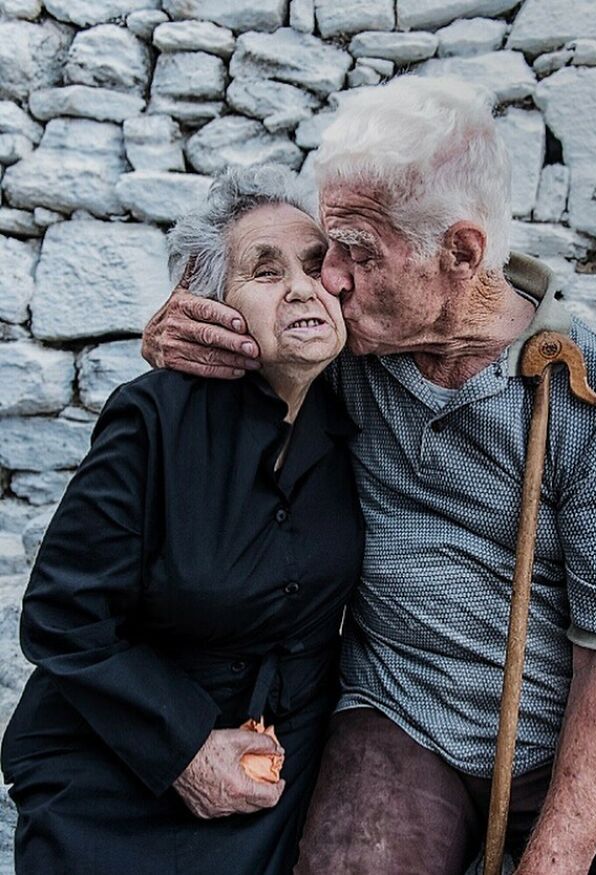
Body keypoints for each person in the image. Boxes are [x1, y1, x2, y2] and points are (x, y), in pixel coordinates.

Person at [143, 77, 596, 874]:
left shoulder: (586, 390)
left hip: (566, 721)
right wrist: (167, 334)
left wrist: (553, 863)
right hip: (399, 711)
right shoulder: (344, 349)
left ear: (462, 254)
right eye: (330, 244)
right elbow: (231, 337)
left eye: (358, 250)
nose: (329, 277)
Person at [1, 166, 365, 875]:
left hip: (273, 780)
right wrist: (187, 750)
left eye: (316, 266)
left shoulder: (358, 410)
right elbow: (61, 615)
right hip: (117, 770)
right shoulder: (155, 419)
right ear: (214, 310)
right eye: (265, 272)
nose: (300, 286)